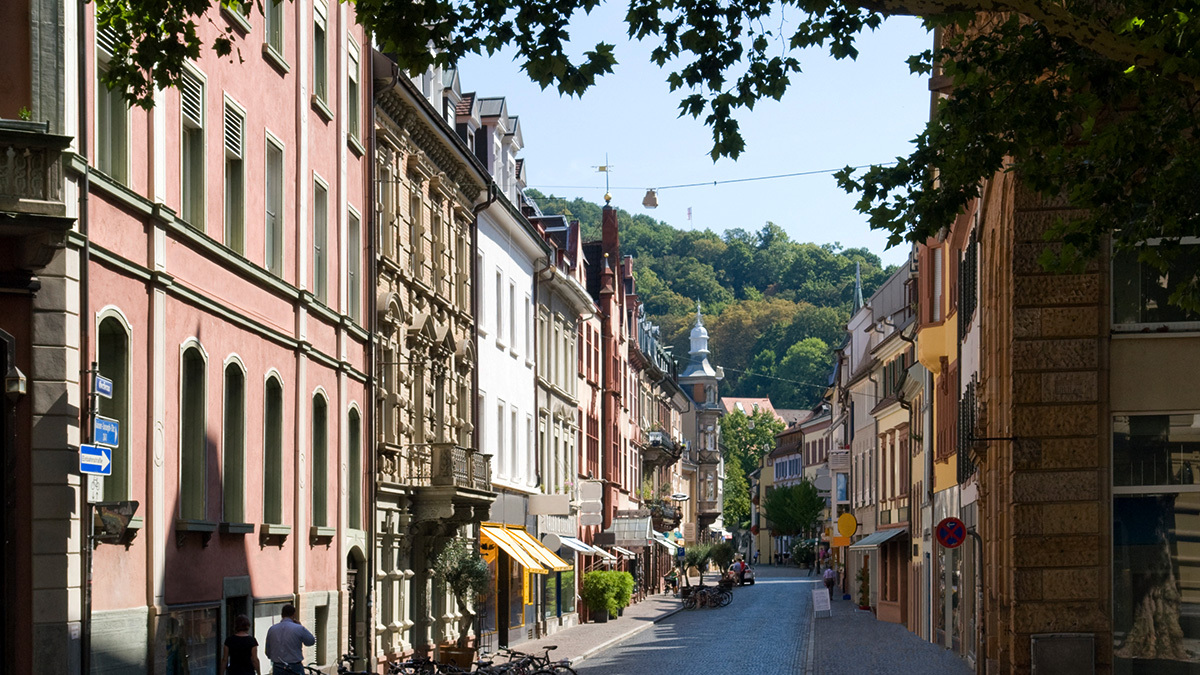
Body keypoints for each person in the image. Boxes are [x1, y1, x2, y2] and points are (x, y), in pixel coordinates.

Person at [264, 604, 315, 674]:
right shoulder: (298, 628)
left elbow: (268, 652)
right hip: (295, 667)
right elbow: (310, 641)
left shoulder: (272, 629)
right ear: (294, 615)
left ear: (282, 615)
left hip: (278, 667)